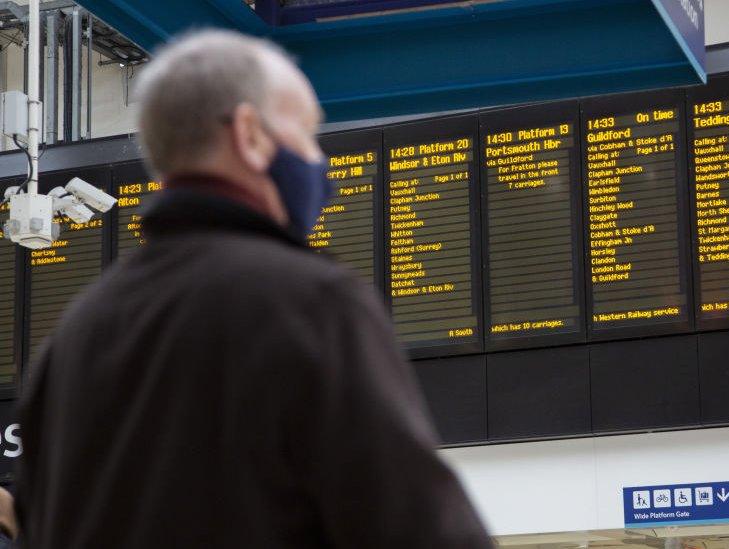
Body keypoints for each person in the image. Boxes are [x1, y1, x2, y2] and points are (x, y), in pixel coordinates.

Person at [14, 30, 492, 549]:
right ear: (250, 133)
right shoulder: (309, 302)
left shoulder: (74, 336)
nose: (319, 164)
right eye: (307, 133)